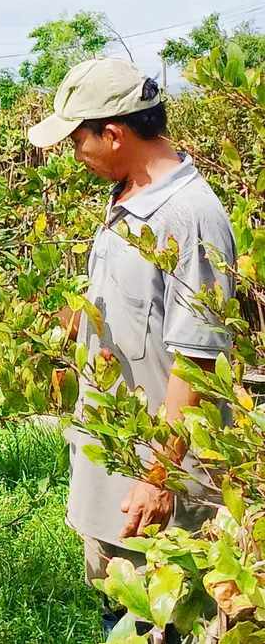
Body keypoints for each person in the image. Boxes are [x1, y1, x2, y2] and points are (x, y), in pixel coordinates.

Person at [28, 59, 236, 641]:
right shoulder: (128, 197)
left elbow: (197, 360)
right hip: (114, 482)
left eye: (78, 139)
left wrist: (158, 476)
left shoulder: (189, 217)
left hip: (159, 490)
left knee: (165, 623)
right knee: (118, 611)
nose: (75, 153)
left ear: (114, 134)